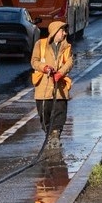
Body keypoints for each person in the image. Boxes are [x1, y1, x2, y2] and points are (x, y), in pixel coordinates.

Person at [30, 21, 73, 149]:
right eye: (62, 31)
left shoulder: (67, 46)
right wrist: (44, 68)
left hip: (60, 88)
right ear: (55, 31)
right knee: (44, 114)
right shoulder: (40, 44)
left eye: (65, 31)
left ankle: (55, 135)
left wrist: (61, 73)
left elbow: (70, 62)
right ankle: (49, 135)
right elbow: (34, 61)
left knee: (60, 113)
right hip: (43, 87)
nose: (64, 33)